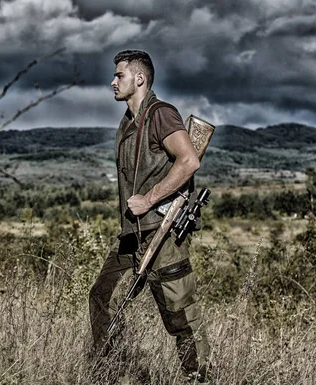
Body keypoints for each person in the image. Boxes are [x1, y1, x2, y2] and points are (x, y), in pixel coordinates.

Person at [88, 50, 210, 383]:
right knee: (102, 295)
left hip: (161, 234)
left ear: (139, 78)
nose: (113, 81)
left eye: (120, 75)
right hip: (131, 235)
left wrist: (151, 198)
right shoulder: (128, 121)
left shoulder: (161, 114)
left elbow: (189, 161)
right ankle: (110, 370)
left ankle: (197, 377)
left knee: (180, 316)